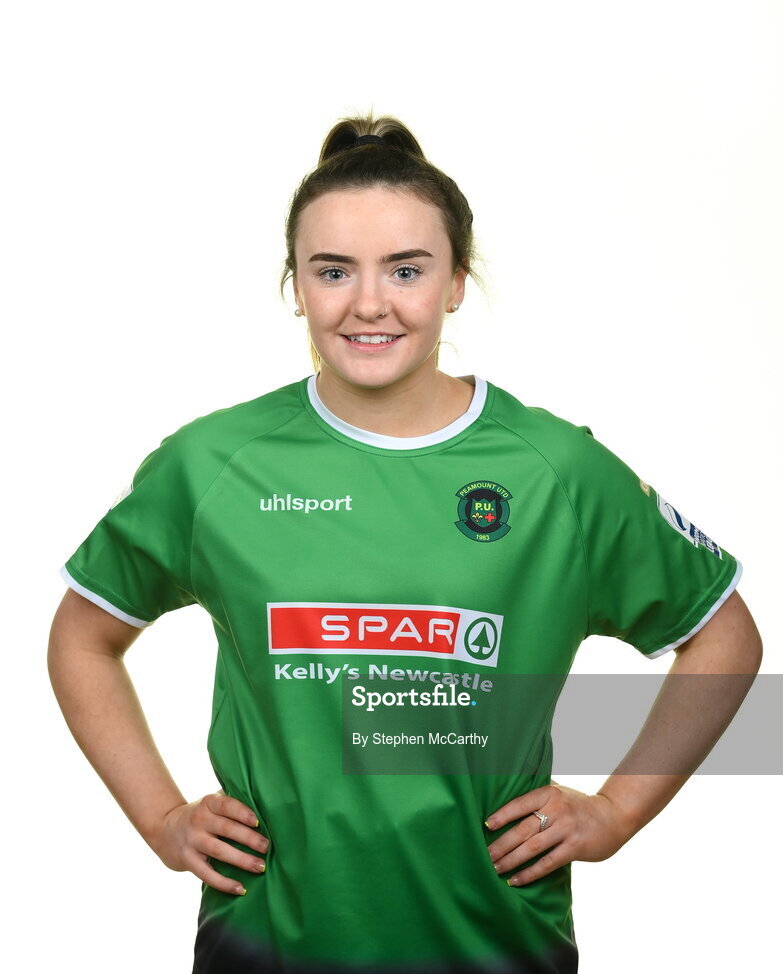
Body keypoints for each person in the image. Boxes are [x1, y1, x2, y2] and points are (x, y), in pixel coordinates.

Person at [48, 113, 763, 974]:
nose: (369, 303)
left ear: (456, 281)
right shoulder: (212, 465)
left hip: (497, 942)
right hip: (268, 941)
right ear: (297, 285)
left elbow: (724, 636)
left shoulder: (556, 471)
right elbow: (83, 638)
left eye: (406, 269)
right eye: (333, 271)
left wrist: (614, 811)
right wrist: (162, 818)